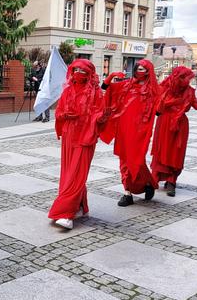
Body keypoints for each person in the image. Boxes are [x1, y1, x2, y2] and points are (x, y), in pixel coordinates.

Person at [48, 60, 108, 229]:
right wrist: (65, 115)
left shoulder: (95, 93)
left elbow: (99, 115)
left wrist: (100, 117)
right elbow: (59, 112)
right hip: (69, 135)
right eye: (76, 69)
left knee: (76, 174)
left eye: (83, 70)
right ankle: (81, 207)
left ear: (89, 73)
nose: (79, 72)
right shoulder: (67, 90)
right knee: (68, 174)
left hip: (85, 137)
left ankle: (65, 213)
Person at [151, 67, 197, 196]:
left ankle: (171, 181)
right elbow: (158, 108)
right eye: (187, 78)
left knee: (176, 153)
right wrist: (171, 102)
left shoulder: (189, 91)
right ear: (179, 78)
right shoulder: (164, 88)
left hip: (180, 124)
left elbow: (196, 106)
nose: (189, 81)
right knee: (162, 150)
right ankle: (154, 179)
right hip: (164, 122)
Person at [101, 60, 160, 207]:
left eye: (144, 69)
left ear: (149, 72)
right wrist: (112, 75)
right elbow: (105, 88)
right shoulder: (126, 85)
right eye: (138, 69)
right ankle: (127, 193)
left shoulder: (154, 90)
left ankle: (147, 183)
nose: (141, 72)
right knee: (124, 160)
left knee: (137, 161)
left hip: (140, 131)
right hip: (123, 128)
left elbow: (159, 110)